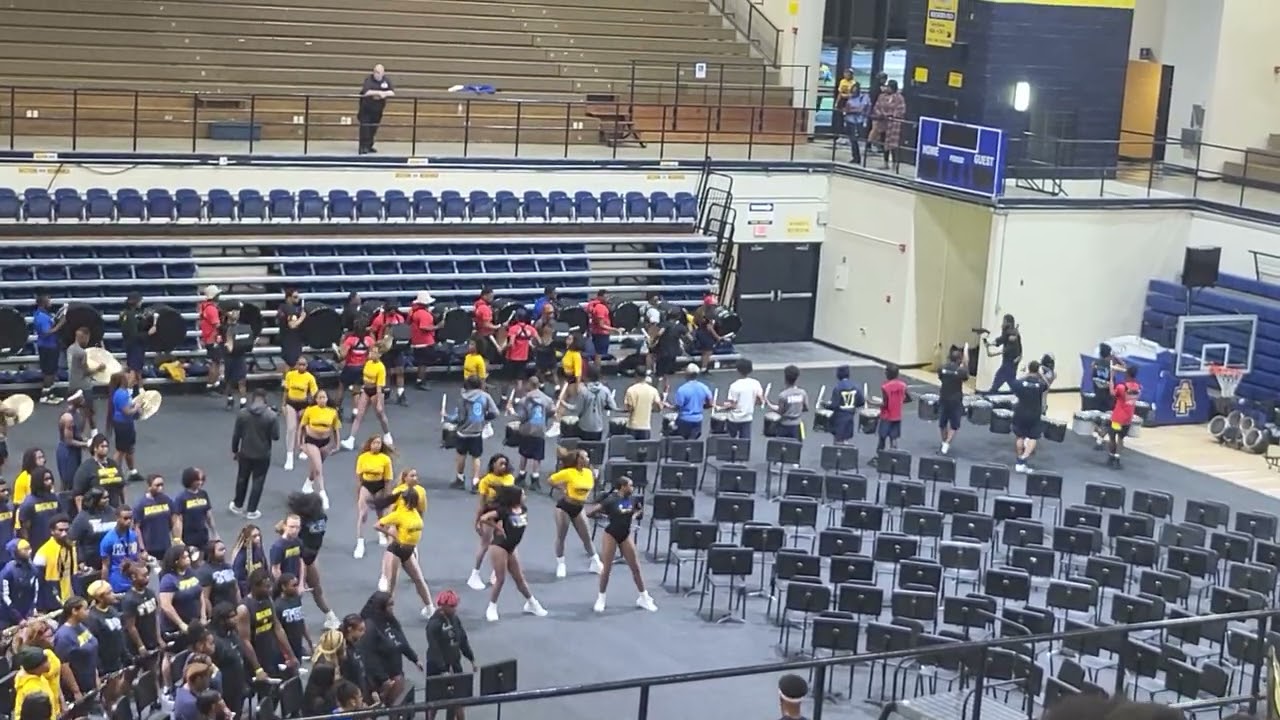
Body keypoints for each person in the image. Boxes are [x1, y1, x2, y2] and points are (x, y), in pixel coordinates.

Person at [588, 475, 656, 613]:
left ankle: (643, 597)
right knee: (606, 569)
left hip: (625, 535)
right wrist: (604, 516)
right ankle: (601, 598)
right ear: (622, 487)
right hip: (611, 534)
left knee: (636, 568)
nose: (632, 487)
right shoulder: (611, 500)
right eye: (630, 485)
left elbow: (639, 509)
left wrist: (634, 516)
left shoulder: (633, 499)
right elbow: (591, 512)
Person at [479, 485, 547, 621]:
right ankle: (492, 607)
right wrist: (496, 526)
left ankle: (532, 603)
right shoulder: (504, 511)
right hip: (500, 546)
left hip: (512, 547)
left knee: (519, 578)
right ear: (516, 497)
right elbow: (484, 518)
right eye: (523, 495)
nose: (525, 497)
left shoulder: (523, 509)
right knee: (501, 579)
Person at [374, 481, 436, 617]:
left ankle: (430, 608)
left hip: (408, 551)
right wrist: (392, 536)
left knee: (419, 579)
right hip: (397, 550)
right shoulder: (399, 514)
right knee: (392, 584)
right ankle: (386, 613)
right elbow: (377, 525)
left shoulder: (414, 513)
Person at [547, 449, 603, 578]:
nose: (587, 459)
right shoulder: (568, 472)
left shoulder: (589, 473)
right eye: (584, 457)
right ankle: (561, 564)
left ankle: (595, 562)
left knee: (586, 538)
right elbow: (550, 480)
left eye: (587, 457)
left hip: (579, 508)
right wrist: (562, 488)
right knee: (561, 537)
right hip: (564, 507)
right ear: (577, 460)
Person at [358, 591, 422, 703]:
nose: (392, 608)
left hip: (395, 672)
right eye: (390, 605)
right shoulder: (369, 627)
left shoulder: (391, 620)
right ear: (381, 606)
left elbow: (401, 641)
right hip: (381, 678)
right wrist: (383, 679)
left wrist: (414, 659)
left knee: (397, 703)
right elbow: (369, 657)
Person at [287, 492, 339, 629]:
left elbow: (286, 532)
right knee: (317, 589)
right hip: (313, 555)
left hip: (300, 557)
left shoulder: (302, 522)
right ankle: (331, 616)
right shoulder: (323, 518)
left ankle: (292, 622)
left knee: (294, 591)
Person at [237, 568, 297, 680]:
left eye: (270, 586)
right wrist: (258, 669)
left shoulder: (268, 600)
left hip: (271, 654)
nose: (270, 590)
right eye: (266, 587)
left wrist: (291, 655)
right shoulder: (244, 609)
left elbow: (278, 628)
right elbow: (245, 641)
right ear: (255, 587)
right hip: (254, 659)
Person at [425, 591, 476, 720]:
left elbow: (462, 639)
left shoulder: (455, 619)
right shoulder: (433, 625)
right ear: (443, 606)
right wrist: (443, 670)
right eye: (452, 606)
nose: (455, 609)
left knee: (458, 701)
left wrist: (471, 658)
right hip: (436, 668)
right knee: (434, 703)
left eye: (455, 606)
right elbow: (434, 648)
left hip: (455, 664)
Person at [467, 454, 514, 590]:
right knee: (485, 544)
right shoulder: (485, 481)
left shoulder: (509, 478)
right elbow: (482, 503)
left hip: (504, 514)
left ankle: (496, 572)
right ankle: (475, 574)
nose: (503, 466)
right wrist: (477, 521)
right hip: (489, 514)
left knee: (502, 544)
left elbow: (506, 490)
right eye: (500, 463)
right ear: (493, 464)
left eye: (505, 463)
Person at [230, 390, 278, 519]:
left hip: (245, 452)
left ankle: (237, 505)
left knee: (242, 478)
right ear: (265, 399)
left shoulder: (242, 414)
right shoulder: (271, 416)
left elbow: (236, 435)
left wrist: (235, 450)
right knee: (258, 481)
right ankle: (252, 510)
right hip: (263, 454)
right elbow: (276, 436)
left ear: (253, 399)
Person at [84, 580, 131, 704]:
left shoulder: (112, 611)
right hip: (106, 666)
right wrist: (100, 669)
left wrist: (125, 655)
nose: (113, 595)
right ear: (100, 597)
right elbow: (94, 646)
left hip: (118, 661)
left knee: (120, 696)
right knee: (110, 699)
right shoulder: (93, 618)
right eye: (109, 593)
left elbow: (120, 635)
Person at [452, 374, 499, 491]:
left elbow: (460, 417)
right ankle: (475, 481)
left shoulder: (463, 397)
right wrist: (485, 418)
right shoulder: (485, 396)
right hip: (477, 432)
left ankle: (460, 478)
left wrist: (449, 418)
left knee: (461, 455)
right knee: (476, 457)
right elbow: (495, 412)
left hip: (463, 431)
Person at [343, 346, 392, 450]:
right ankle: (351, 440)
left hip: (376, 392)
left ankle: (387, 434)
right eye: (371, 352)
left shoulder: (381, 367)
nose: (372, 354)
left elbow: (379, 387)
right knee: (359, 415)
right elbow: (364, 378)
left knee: (380, 414)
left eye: (375, 352)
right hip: (366, 390)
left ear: (379, 354)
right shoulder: (368, 363)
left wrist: (379, 401)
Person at [298, 390, 341, 509]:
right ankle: (323, 494)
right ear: (316, 399)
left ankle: (308, 484)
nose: (322, 399)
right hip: (311, 441)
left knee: (316, 467)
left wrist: (337, 444)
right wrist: (300, 443)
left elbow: (336, 429)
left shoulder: (332, 412)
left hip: (325, 443)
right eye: (320, 397)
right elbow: (301, 427)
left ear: (327, 399)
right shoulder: (310, 410)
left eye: (324, 397)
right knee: (319, 469)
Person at [53, 596, 99, 706]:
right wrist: (76, 691)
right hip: (79, 686)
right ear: (74, 611)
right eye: (85, 609)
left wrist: (96, 677)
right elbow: (64, 666)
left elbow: (91, 653)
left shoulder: (81, 626)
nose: (88, 612)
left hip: (91, 680)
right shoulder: (63, 636)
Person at [353, 435, 394, 559]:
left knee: (380, 512)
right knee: (363, 514)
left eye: (379, 443)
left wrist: (387, 494)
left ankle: (382, 534)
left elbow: (388, 479)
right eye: (375, 443)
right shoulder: (363, 458)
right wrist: (358, 491)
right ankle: (360, 543)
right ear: (370, 444)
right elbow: (359, 477)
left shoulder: (385, 459)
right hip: (367, 485)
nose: (377, 445)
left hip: (380, 485)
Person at [511, 373, 554, 491]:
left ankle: (521, 475)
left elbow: (522, 416)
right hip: (540, 430)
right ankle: (535, 479)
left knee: (524, 453)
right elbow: (552, 411)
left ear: (529, 384)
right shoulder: (547, 399)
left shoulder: (524, 400)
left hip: (527, 430)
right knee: (537, 456)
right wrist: (545, 417)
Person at [1011, 360, 1049, 474]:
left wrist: (1025, 374)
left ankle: (1019, 461)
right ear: (1038, 370)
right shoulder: (1040, 385)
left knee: (1020, 436)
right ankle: (1023, 458)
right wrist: (1041, 374)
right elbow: (1047, 385)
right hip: (1034, 414)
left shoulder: (1020, 383)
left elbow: (1014, 383)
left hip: (1020, 412)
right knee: (1033, 437)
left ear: (1028, 369)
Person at [280, 357, 317, 473]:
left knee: (303, 428)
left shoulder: (310, 378)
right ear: (296, 365)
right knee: (291, 428)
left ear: (307, 366)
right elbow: (286, 391)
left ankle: (302, 448)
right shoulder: (290, 375)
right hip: (291, 403)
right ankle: (289, 456)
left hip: (304, 404)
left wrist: (310, 408)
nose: (301, 367)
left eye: (304, 365)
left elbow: (314, 394)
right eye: (300, 364)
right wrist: (283, 404)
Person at [66, 326, 105, 436]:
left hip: (72, 384)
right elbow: (86, 371)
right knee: (88, 412)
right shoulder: (82, 353)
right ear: (83, 337)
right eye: (87, 338)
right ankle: (91, 434)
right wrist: (98, 368)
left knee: (74, 412)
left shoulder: (70, 349)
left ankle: (73, 433)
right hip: (84, 386)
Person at [369, 300, 410, 405]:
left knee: (400, 370)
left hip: (397, 347)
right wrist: (374, 343)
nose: (393, 311)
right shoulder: (379, 319)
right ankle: (386, 391)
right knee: (386, 372)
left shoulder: (399, 318)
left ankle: (401, 394)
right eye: (391, 309)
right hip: (384, 348)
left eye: (394, 309)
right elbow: (372, 331)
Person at [32, 515, 75, 612]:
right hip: (53, 600)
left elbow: (73, 573)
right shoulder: (43, 552)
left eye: (66, 530)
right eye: (60, 530)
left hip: (70, 596)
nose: (64, 533)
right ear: (52, 531)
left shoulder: (71, 547)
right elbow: (38, 582)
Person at [158, 545, 203, 638]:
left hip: (194, 623)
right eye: (184, 557)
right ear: (176, 561)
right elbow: (166, 605)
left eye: (188, 556)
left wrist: (203, 617)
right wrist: (181, 624)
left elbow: (200, 593)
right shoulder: (168, 579)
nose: (188, 559)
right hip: (176, 629)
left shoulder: (191, 572)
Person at [119, 560, 160, 661]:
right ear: (134, 577)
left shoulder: (150, 593)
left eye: (147, 574)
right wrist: (140, 646)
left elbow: (155, 616)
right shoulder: (129, 600)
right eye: (144, 575)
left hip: (152, 640)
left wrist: (159, 638)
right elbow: (131, 626)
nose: (148, 577)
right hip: (139, 644)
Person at [71, 434, 125, 509]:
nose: (105, 449)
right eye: (102, 446)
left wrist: (123, 505)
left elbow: (121, 487)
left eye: (106, 446)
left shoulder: (113, 464)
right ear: (95, 448)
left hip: (114, 510)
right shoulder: (86, 468)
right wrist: (81, 515)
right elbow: (78, 495)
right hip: (95, 511)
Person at [70, 488, 113, 579]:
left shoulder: (112, 512)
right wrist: (80, 561)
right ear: (95, 500)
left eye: (108, 497)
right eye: (104, 498)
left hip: (113, 561)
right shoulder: (82, 518)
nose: (107, 500)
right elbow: (74, 541)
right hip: (92, 564)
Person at [172, 467, 217, 554]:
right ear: (189, 480)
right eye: (197, 480)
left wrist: (214, 532)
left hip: (202, 535)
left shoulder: (203, 494)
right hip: (188, 537)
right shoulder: (181, 498)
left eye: (202, 479)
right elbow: (178, 520)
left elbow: (208, 515)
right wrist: (178, 539)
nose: (200, 482)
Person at [337, 321, 376, 419]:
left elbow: (342, 355)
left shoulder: (350, 340)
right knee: (357, 391)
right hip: (362, 368)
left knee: (341, 387)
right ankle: (355, 412)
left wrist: (341, 345)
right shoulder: (369, 340)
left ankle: (337, 409)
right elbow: (373, 354)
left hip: (350, 367)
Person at [567, 366, 616, 441]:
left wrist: (563, 403)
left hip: (584, 427)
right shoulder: (605, 390)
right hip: (598, 427)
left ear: (587, 376)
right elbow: (613, 406)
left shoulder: (583, 391)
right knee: (597, 449)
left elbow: (577, 409)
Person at [17, 469, 60, 554]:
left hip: (55, 544)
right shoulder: (29, 503)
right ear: (38, 481)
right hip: (37, 547)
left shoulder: (55, 498)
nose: (50, 482)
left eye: (50, 479)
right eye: (46, 479)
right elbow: (24, 529)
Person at [99, 506, 141, 593]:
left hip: (134, 582)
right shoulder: (108, 540)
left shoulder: (134, 536)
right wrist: (105, 587)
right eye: (125, 518)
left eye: (130, 518)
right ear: (117, 518)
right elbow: (105, 566)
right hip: (117, 583)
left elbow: (137, 557)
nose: (129, 521)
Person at [1108, 365, 1142, 469]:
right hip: (1128, 418)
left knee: (1112, 436)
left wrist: (1111, 378)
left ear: (1127, 374)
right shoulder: (1138, 387)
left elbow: (1112, 393)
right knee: (1121, 438)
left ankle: (1111, 456)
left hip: (1118, 418)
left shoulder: (1121, 387)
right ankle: (1117, 458)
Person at [133, 474, 172, 562]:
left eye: (162, 485)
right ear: (149, 486)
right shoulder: (141, 504)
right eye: (157, 485)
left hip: (166, 546)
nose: (160, 487)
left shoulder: (166, 500)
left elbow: (174, 519)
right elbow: (136, 528)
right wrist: (142, 549)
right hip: (149, 548)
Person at [936, 348, 969, 455]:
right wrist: (965, 362)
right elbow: (966, 376)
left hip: (944, 398)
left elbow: (940, 377)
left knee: (942, 423)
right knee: (954, 424)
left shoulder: (942, 368)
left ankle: (943, 442)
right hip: (955, 400)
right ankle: (946, 443)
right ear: (959, 359)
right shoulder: (961, 371)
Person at [33, 294, 64, 404]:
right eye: (48, 300)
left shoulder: (45, 314)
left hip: (51, 346)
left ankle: (51, 394)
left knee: (52, 371)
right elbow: (46, 333)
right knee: (49, 372)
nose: (51, 302)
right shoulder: (42, 316)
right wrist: (60, 324)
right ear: (43, 303)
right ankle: (45, 396)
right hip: (47, 347)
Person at [668, 364, 713, 439]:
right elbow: (710, 403)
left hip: (684, 420)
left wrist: (669, 406)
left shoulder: (682, 389)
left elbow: (679, 407)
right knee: (693, 443)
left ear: (686, 375)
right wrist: (702, 406)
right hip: (698, 419)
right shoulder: (704, 387)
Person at [196, 540, 239, 619]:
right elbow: (205, 597)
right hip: (219, 612)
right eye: (221, 550)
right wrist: (211, 615)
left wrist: (239, 605)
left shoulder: (228, 566)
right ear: (211, 552)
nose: (224, 552)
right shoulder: (205, 571)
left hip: (232, 609)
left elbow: (236, 588)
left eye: (224, 549)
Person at [721, 359, 764, 439]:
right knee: (745, 443)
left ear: (738, 370)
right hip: (747, 418)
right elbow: (760, 401)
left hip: (733, 419)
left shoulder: (734, 386)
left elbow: (732, 405)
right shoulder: (755, 383)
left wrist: (722, 407)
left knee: (730, 440)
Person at [868, 78, 906, 170]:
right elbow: (877, 107)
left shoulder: (899, 98)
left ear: (893, 88)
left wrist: (891, 115)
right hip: (883, 123)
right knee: (884, 143)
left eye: (889, 87)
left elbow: (901, 110)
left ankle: (894, 164)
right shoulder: (881, 96)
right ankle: (885, 163)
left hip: (893, 124)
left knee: (893, 145)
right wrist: (881, 114)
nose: (887, 89)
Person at [357, 64, 394, 154]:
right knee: (365, 128)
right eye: (375, 72)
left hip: (378, 110)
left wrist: (384, 94)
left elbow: (392, 92)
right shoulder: (369, 80)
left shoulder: (386, 81)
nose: (377, 74)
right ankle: (363, 147)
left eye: (379, 72)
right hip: (366, 109)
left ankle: (369, 146)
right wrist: (378, 92)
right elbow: (366, 91)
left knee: (373, 128)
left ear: (383, 73)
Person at [274, 573, 311, 663]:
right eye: (293, 585)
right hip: (285, 649)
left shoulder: (296, 599)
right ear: (283, 587)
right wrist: (287, 653)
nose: (296, 587)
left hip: (297, 644)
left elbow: (301, 622)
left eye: (297, 584)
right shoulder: (277, 605)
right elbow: (277, 631)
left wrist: (309, 642)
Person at [56, 393, 89, 490]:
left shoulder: (79, 414)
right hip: (67, 452)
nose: (83, 399)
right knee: (68, 481)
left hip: (75, 450)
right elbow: (69, 441)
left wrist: (83, 439)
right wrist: (86, 444)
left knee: (75, 479)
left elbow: (77, 433)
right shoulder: (68, 418)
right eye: (80, 398)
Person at [13, 648, 58, 720]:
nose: (49, 662)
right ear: (36, 668)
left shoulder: (38, 675)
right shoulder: (33, 690)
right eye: (45, 661)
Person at [875, 364, 910, 456]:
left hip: (886, 417)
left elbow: (885, 404)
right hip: (897, 416)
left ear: (888, 373)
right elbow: (908, 398)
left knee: (882, 438)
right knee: (893, 438)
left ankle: (880, 458)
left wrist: (873, 403)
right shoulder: (903, 385)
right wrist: (898, 401)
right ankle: (894, 457)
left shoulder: (885, 387)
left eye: (886, 372)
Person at [983, 314, 1022, 394]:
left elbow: (1011, 347)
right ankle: (1018, 393)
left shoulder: (1012, 333)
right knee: (1010, 380)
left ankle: (992, 392)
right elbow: (1001, 340)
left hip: (1011, 361)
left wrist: (999, 351)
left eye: (1004, 321)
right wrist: (990, 343)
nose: (1002, 323)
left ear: (1009, 323)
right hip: (1010, 360)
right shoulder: (1008, 332)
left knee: (1000, 377)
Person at [1, 538, 38, 623]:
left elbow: (35, 592)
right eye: (25, 549)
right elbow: (4, 596)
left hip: (26, 614)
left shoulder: (33, 569)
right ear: (16, 552)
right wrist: (18, 618)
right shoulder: (8, 571)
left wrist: (32, 609)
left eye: (29, 548)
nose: (29, 551)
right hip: (7, 616)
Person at [769, 365, 809, 441]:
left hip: (784, 426)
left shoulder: (783, 395)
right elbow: (806, 408)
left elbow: (781, 411)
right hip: (797, 426)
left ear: (785, 378)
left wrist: (770, 406)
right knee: (795, 449)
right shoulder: (802, 393)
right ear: (797, 378)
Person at [197, 286, 225, 393]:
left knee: (216, 362)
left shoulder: (205, 307)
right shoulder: (212, 309)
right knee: (215, 363)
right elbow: (217, 325)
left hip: (209, 339)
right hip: (213, 339)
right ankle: (211, 385)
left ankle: (214, 383)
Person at [408, 291, 438, 390]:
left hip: (417, 341)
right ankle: (420, 381)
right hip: (424, 341)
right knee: (423, 363)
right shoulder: (423, 314)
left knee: (422, 362)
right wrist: (437, 327)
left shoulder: (413, 311)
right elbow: (424, 327)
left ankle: (421, 379)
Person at [826, 365, 863, 445]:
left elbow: (834, 405)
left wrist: (826, 405)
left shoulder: (838, 387)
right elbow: (861, 402)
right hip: (850, 417)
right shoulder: (855, 387)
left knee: (837, 441)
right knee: (846, 440)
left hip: (839, 418)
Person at [229, 525, 266, 597]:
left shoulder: (259, 550)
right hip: (248, 592)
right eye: (254, 536)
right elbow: (239, 579)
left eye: (259, 535)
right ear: (247, 538)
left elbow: (265, 568)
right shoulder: (241, 557)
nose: (258, 538)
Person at [622, 373, 662, 439]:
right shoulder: (653, 390)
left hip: (632, 426)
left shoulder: (631, 390)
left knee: (631, 448)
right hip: (645, 427)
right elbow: (659, 407)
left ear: (636, 376)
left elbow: (630, 408)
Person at [652, 307, 687, 379]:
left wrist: (653, 340)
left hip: (663, 351)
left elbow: (659, 333)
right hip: (674, 352)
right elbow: (689, 337)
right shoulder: (681, 327)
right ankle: (666, 386)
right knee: (668, 372)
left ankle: (658, 384)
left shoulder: (665, 324)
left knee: (659, 372)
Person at [584, 290, 614, 369]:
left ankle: (595, 371)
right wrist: (615, 329)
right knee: (599, 355)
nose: (608, 298)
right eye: (606, 296)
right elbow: (601, 324)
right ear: (600, 297)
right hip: (601, 333)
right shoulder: (600, 307)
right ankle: (597, 372)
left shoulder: (592, 305)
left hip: (594, 331)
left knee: (597, 353)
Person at [690, 297, 722, 371]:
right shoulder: (708, 314)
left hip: (700, 332)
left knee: (705, 352)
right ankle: (704, 368)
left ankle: (704, 367)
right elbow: (709, 328)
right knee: (707, 352)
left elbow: (695, 321)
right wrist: (717, 337)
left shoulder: (699, 310)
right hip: (706, 335)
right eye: (713, 305)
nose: (714, 306)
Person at [269, 514, 304, 581]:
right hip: (284, 584)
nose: (295, 530)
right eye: (291, 527)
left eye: (297, 527)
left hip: (294, 581)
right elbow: (276, 570)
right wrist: (283, 587)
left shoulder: (298, 542)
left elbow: (301, 562)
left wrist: (301, 583)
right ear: (285, 526)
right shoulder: (278, 546)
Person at [841, 80, 868, 164]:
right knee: (852, 140)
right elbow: (846, 108)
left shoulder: (864, 97)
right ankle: (854, 157)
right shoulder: (850, 98)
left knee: (856, 139)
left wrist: (851, 110)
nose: (854, 92)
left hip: (858, 121)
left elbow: (861, 109)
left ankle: (858, 157)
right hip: (849, 120)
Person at [473, 287, 498, 359]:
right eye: (490, 297)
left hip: (479, 334)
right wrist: (498, 327)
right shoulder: (484, 308)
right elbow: (486, 324)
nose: (492, 298)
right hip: (485, 336)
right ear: (484, 296)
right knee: (486, 358)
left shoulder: (477, 305)